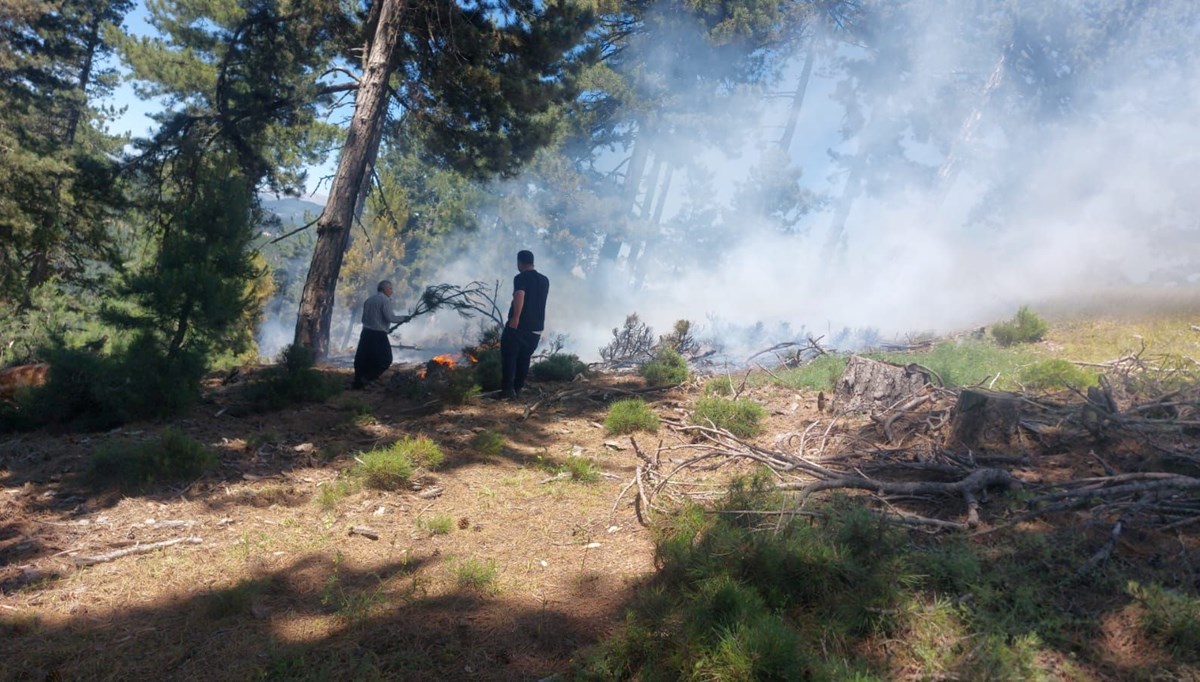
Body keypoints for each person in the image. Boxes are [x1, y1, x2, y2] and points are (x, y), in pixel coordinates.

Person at [499, 250, 549, 400]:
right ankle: (518, 388)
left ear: (519, 262)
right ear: (532, 262)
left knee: (509, 355)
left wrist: (515, 317)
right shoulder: (544, 280)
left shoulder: (520, 278)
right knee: (525, 357)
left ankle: (507, 390)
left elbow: (520, 295)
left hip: (520, 326)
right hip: (537, 327)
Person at [352, 280, 408, 389]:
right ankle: (367, 378)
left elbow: (364, 318)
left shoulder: (369, 300)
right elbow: (390, 318)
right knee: (385, 359)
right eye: (390, 288)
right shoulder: (385, 300)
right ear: (384, 289)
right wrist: (404, 318)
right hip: (378, 335)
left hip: (365, 333)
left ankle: (358, 382)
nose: (392, 291)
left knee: (363, 359)